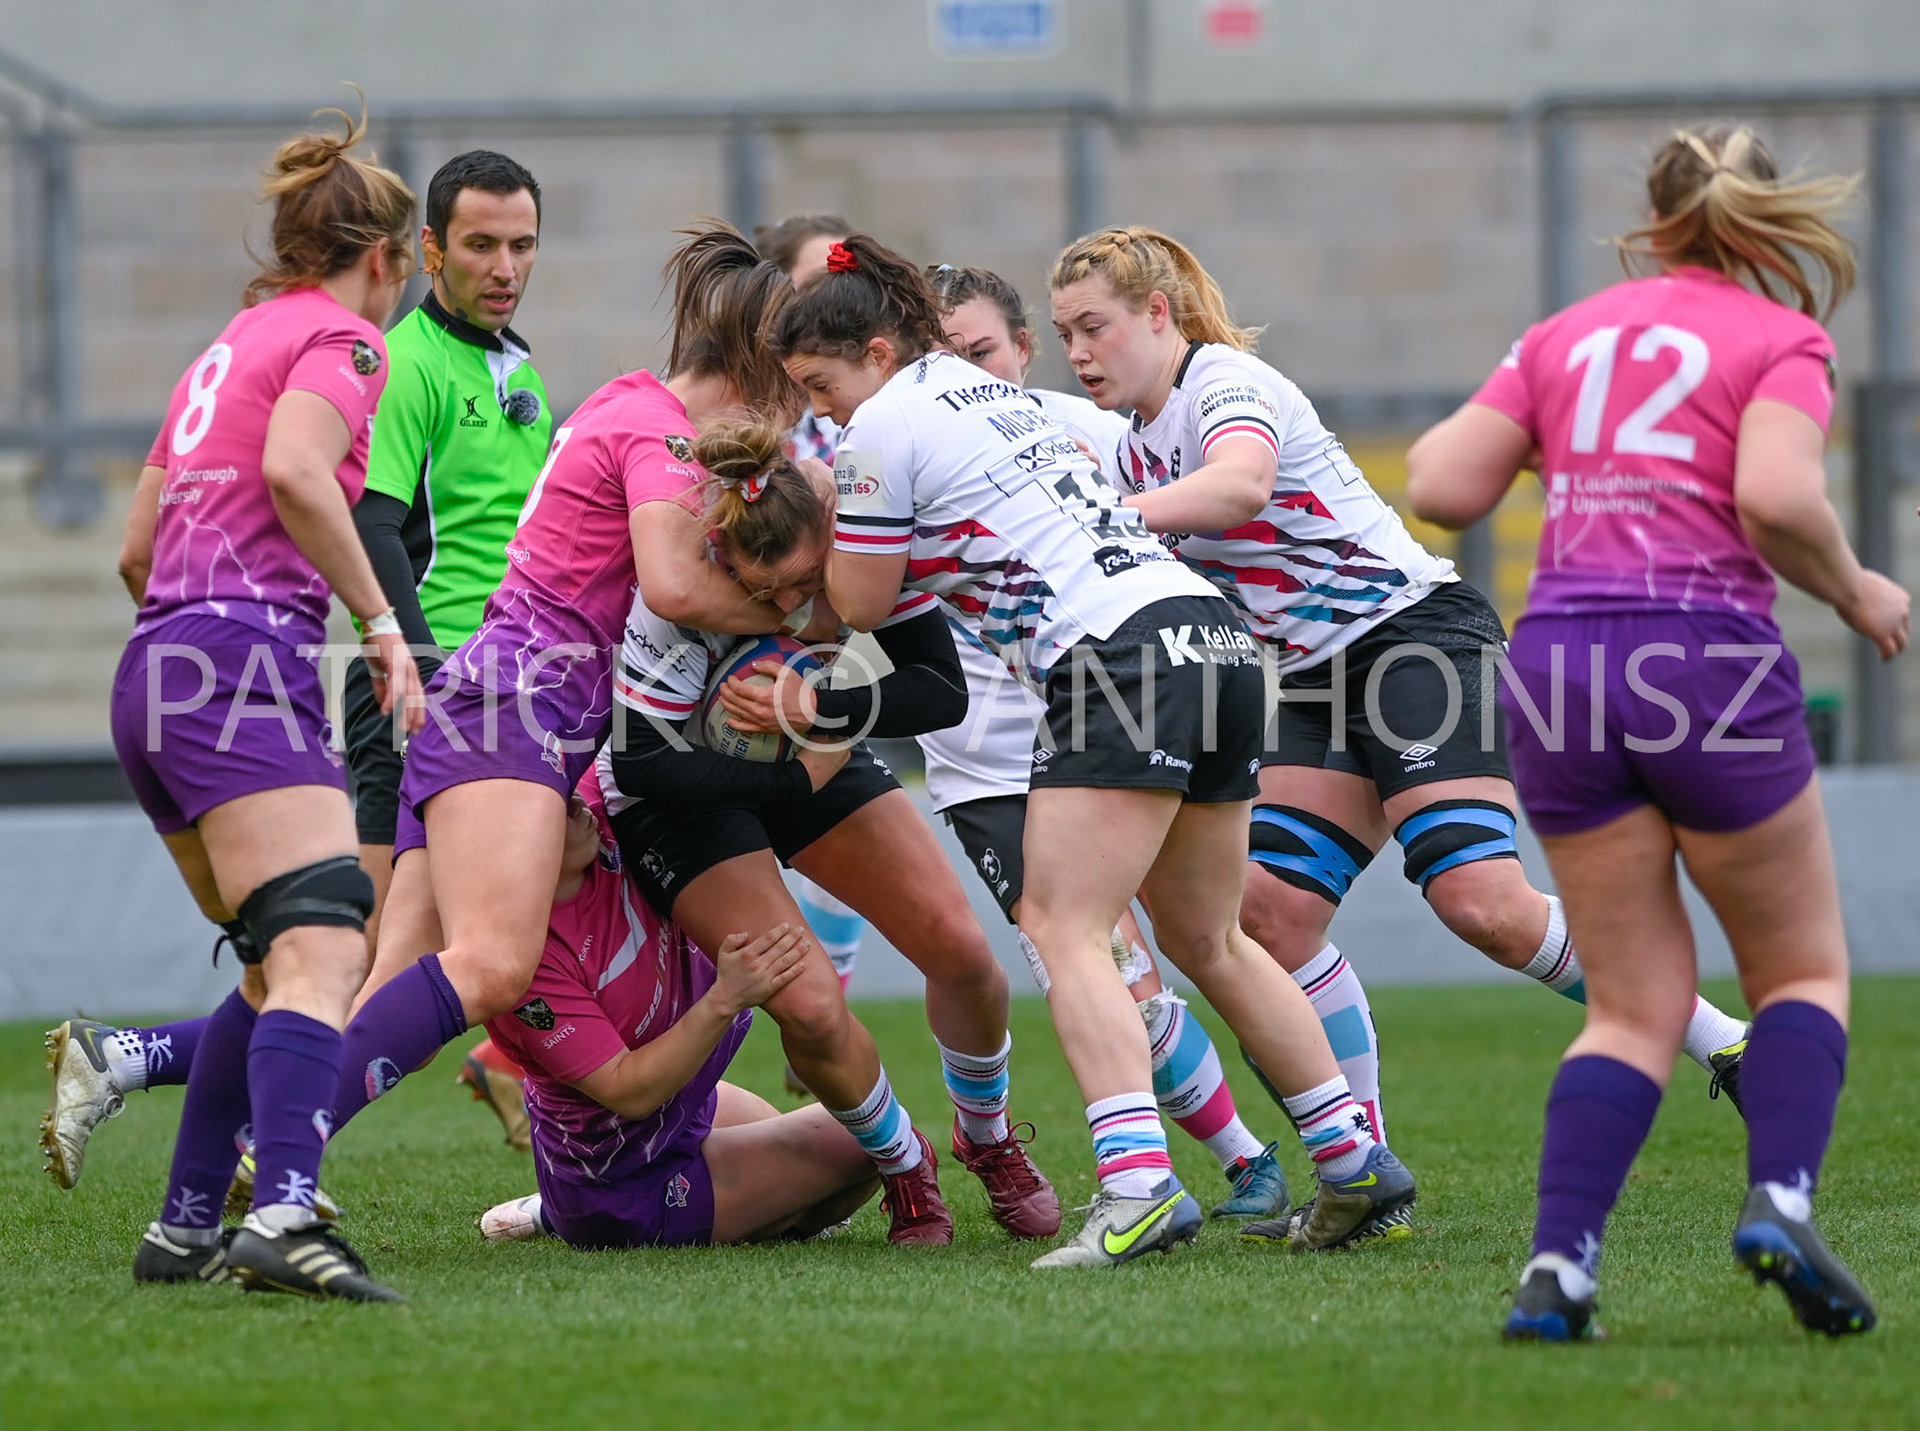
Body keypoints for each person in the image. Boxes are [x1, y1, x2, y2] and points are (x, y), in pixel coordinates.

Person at [1046, 228, 1754, 1237]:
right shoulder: (1129, 447)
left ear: (1158, 314)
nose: (1075, 351)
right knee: (1268, 922)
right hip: (1309, 681)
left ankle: (1727, 1042)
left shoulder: (1224, 384)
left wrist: (1109, 521)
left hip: (1416, 644)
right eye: (1065, 332)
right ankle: (1365, 1176)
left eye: (1094, 326)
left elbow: (1240, 486)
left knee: (1484, 906)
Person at [777, 234, 1416, 1267]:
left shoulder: (880, 428)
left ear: (879, 352)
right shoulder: (1011, 401)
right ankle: (1351, 1159)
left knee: (1063, 926)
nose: (828, 408)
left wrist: (810, 557)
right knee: (1213, 940)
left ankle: (1138, 1188)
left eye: (824, 384)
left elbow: (861, 603)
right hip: (1211, 637)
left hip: (1115, 658)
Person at [1404, 125, 1903, 1341]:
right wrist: (1855, 590)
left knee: (1630, 1003)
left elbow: (1438, 486)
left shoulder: (1566, 335)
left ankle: (1559, 1274)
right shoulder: (1782, 337)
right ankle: (1779, 1198)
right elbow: (1779, 498)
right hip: (1704, 659)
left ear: (1657, 213)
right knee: (1799, 972)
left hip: (1563, 669)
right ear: (1764, 221)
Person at [43, 150, 552, 1173]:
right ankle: (260, 1163)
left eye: (523, 245)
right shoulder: (372, 353)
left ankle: (204, 1152)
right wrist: (395, 643)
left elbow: (136, 553)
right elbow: (352, 510)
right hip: (424, 682)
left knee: (342, 952)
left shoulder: (496, 366)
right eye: (480, 245)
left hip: (234, 670)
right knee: (339, 954)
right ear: (411, 253)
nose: (504, 266)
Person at [319, 224, 802, 1148]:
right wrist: (802, 610)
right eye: (799, 385)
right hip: (515, 709)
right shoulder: (661, 432)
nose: (798, 413)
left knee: (392, 986)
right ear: (758, 364)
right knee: (496, 967)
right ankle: (271, 1142)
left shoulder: (626, 403)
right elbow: (668, 585)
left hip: (486, 703)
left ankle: (264, 1147)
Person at [86, 105, 422, 1302]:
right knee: (333, 935)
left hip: (155, 672)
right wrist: (380, 623)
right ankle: (283, 1213)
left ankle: (184, 1226)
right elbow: (293, 469)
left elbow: (136, 550)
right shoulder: (345, 340)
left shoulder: (219, 351)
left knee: (276, 958)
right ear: (387, 257)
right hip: (235, 665)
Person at [605, 419, 1059, 1245]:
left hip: (804, 744)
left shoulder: (863, 540)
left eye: (800, 585)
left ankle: (986, 1139)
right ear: (720, 551)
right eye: (759, 588)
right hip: (684, 789)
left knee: (966, 957)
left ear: (826, 535)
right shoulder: (676, 585)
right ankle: (903, 1166)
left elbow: (939, 689)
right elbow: (640, 765)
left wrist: (822, 709)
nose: (784, 608)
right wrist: (784, 775)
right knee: (810, 1008)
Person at [920, 262, 1288, 1218]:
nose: (969, 372)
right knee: (1109, 963)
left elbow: (1174, 533)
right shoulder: (886, 442)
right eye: (945, 355)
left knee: (1177, 948)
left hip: (1113, 718)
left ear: (1024, 351)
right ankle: (1252, 1161)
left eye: (984, 353)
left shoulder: (1080, 430)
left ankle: (1258, 1161)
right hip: (990, 767)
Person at [475, 780, 879, 1250]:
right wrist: (726, 997)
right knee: (863, 1142)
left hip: (681, 1112)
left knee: (830, 1130)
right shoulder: (522, 960)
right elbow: (630, 1091)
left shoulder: (598, 830)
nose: (578, 803)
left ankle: (553, 1208)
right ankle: (572, 1212)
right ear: (521, 838)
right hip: (622, 1182)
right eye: (558, 806)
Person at [756, 213, 866, 1078]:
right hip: (769, 646)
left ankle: (822, 1008)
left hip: (846, 636)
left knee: (833, 822)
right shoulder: (756, 414)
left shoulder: (867, 403)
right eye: (805, 290)